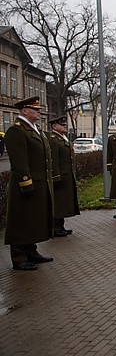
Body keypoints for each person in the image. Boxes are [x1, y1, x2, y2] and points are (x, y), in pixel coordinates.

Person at [4, 96, 54, 271]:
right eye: (35, 109)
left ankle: (31, 251)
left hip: (39, 182)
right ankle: (19, 257)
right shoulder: (16, 131)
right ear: (24, 111)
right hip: (25, 183)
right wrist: (26, 182)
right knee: (22, 219)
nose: (39, 112)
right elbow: (19, 162)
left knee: (33, 219)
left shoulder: (35, 129)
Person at [47, 116, 80, 235]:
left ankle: (60, 226)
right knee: (58, 202)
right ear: (54, 126)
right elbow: (53, 160)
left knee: (63, 201)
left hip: (66, 176)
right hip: (59, 176)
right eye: (62, 125)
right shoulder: (53, 140)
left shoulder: (62, 138)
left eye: (65, 125)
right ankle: (55, 228)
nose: (65, 126)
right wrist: (55, 176)